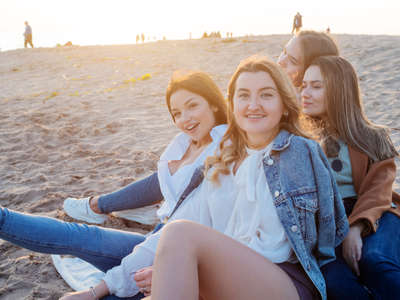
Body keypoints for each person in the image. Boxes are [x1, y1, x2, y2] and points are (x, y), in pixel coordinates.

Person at [0, 70, 229, 300]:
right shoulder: (185, 145)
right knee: (79, 235)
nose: (185, 119)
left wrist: (97, 290)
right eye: (176, 113)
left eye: (193, 106)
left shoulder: (223, 150)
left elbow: (188, 219)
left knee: (104, 285)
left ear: (214, 104)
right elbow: (158, 187)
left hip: (177, 249)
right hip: (156, 237)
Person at [146, 56, 348, 300]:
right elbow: (200, 224)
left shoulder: (301, 151)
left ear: (284, 104)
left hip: (285, 280)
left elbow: (331, 230)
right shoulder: (221, 158)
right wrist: (172, 268)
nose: (253, 105)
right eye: (243, 95)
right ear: (232, 105)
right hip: (227, 277)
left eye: (266, 95)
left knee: (178, 234)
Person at [300, 55, 400, 299]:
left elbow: (379, 189)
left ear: (340, 90)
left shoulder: (372, 136)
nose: (305, 93)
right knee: (334, 283)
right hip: (330, 226)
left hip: (378, 213)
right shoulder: (302, 141)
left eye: (316, 86)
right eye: (304, 85)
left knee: (374, 261)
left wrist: (357, 227)